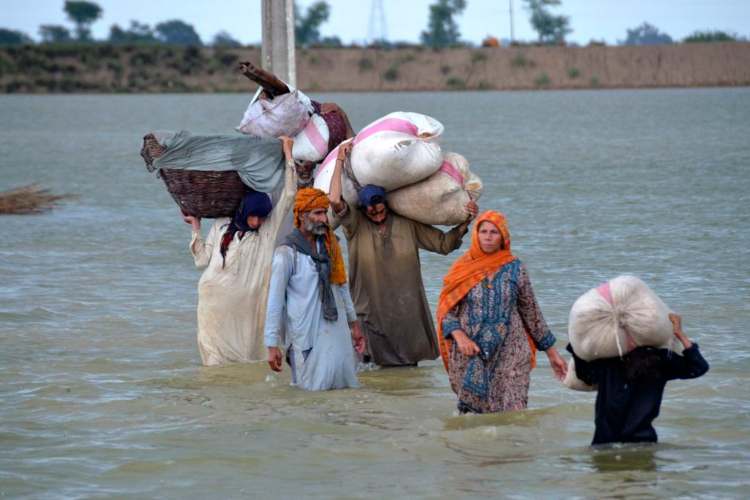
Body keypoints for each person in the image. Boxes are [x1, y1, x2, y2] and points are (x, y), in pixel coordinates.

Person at [328, 142, 478, 367]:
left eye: (380, 209)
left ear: (387, 206)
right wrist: (340, 160)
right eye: (371, 210)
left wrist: (465, 220)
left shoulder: (407, 224)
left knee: (407, 366)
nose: (377, 214)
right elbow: (333, 200)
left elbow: (444, 244)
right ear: (363, 209)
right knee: (369, 367)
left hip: (405, 309)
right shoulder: (355, 225)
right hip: (369, 308)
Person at [436, 210, 568, 414]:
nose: (488, 237)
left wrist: (552, 353)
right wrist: (460, 337)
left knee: (515, 412)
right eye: (484, 231)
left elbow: (531, 312)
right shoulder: (462, 269)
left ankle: (518, 445)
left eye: (494, 232)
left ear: (503, 237)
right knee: (473, 419)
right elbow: (447, 312)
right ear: (476, 235)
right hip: (471, 353)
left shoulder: (515, 268)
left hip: (512, 351)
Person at [183, 137, 296, 366]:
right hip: (213, 301)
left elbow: (289, 195)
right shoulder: (221, 226)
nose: (257, 221)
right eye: (254, 216)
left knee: (247, 355)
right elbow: (202, 261)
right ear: (244, 211)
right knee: (213, 359)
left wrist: (287, 154)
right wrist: (196, 227)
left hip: (246, 305)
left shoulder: (266, 232)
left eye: (262, 216)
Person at [264, 188, 366, 391]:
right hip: (305, 334)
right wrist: (271, 344)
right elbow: (275, 301)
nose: (323, 219)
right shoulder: (286, 253)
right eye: (317, 213)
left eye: (325, 213)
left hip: (335, 329)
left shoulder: (330, 246)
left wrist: (354, 324)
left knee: (341, 385)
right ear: (302, 216)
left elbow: (342, 286)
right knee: (309, 392)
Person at [567, 313, 709, 445]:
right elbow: (698, 367)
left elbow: (585, 376)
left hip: (605, 443)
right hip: (643, 443)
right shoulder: (661, 360)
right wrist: (680, 334)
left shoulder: (608, 361)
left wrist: (577, 343)